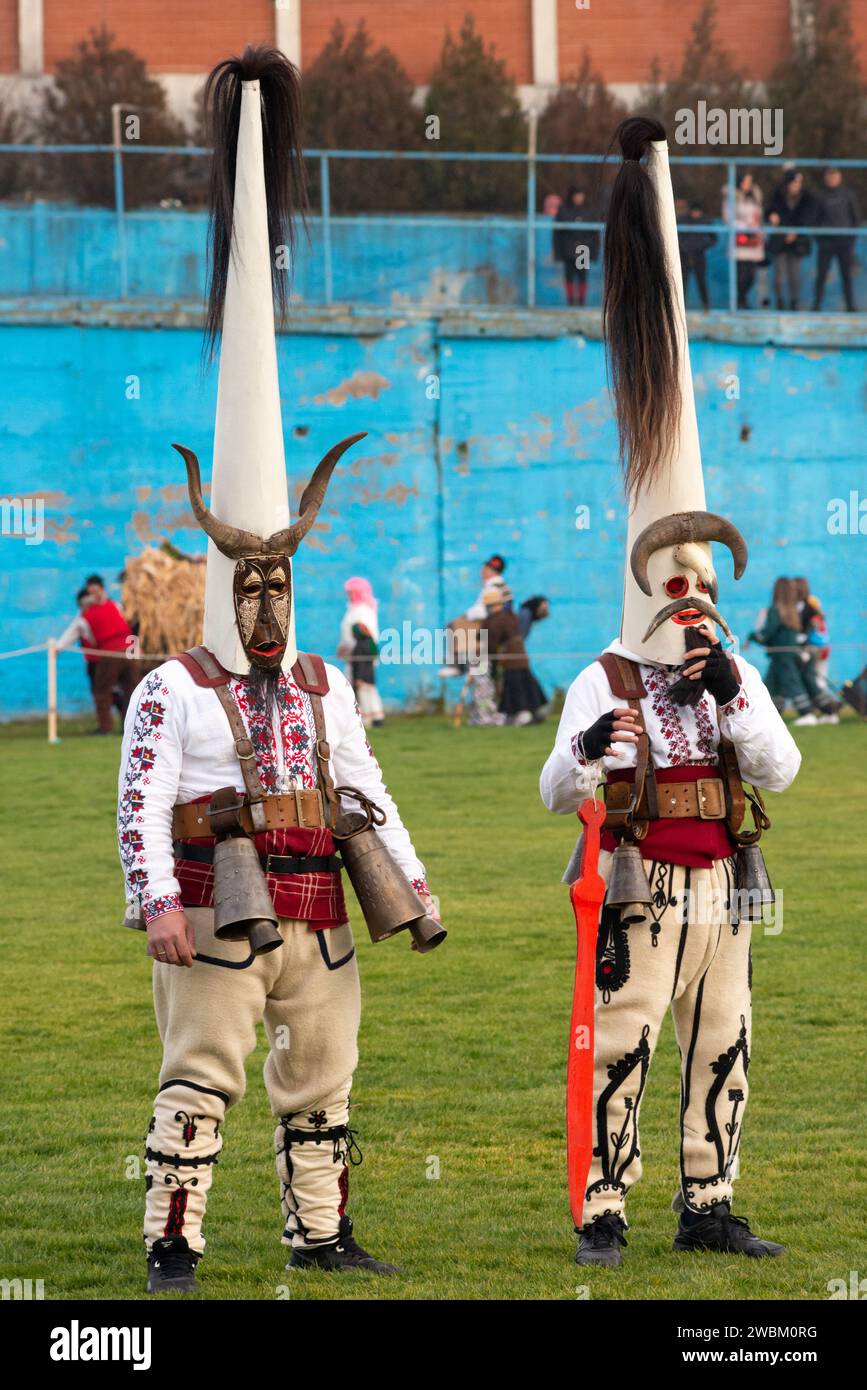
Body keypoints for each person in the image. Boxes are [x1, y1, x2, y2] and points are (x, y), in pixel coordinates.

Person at [117, 47, 441, 1296]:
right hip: (214, 900)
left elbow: (367, 780)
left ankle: (321, 1231)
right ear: (219, 584)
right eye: (242, 584)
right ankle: (174, 1238)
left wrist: (408, 885)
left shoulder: (322, 686)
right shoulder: (173, 689)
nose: (262, 605)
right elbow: (141, 801)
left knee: (326, 1074)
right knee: (202, 1072)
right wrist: (154, 897)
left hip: (321, 902)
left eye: (277, 586)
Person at [541, 117, 801, 1268]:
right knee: (626, 1040)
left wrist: (737, 683)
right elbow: (555, 788)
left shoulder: (730, 672)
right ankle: (605, 1203)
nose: (690, 601)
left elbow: (782, 768)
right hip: (642, 881)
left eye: (704, 583)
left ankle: (710, 1201)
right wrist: (595, 746)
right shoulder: (600, 672)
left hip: (725, 886)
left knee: (725, 1038)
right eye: (676, 582)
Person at [748, 578, 838, 725]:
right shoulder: (792, 611)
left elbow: (767, 634)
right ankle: (772, 715)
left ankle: (807, 714)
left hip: (782, 655)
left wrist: (752, 636)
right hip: (790, 653)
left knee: (792, 684)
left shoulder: (776, 610)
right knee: (772, 685)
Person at [77, 576, 137, 733]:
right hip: (130, 653)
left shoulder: (86, 616)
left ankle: (106, 727)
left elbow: (88, 637)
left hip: (110, 654)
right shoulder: (116, 606)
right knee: (130, 689)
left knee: (102, 691)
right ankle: (131, 726)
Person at [481, 586, 547, 725]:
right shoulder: (511, 616)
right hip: (520, 655)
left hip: (510, 658)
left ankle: (523, 715)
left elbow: (491, 643)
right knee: (526, 683)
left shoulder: (496, 620)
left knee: (516, 686)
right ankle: (535, 711)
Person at [766, 170, 817, 311]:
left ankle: (794, 302)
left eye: (798, 183)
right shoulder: (778, 196)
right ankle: (779, 302)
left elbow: (809, 217)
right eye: (794, 183)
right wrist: (771, 216)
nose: (796, 186)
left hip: (797, 243)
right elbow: (768, 211)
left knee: (794, 275)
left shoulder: (807, 198)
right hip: (779, 242)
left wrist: (796, 232)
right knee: (779, 275)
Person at [337, 576, 384, 727]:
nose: (349, 595)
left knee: (363, 684)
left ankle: (369, 717)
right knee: (360, 685)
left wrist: (352, 648)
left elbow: (363, 634)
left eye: (351, 592)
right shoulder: (354, 610)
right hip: (354, 653)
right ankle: (371, 715)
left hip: (362, 653)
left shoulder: (363, 611)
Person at [813, 167, 860, 312]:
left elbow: (856, 218)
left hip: (844, 242)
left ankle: (850, 306)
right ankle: (816, 306)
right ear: (826, 178)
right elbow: (815, 218)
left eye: (835, 176)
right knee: (821, 275)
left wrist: (851, 239)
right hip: (826, 242)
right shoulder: (820, 196)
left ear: (839, 177)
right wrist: (819, 238)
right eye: (830, 176)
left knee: (846, 275)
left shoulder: (848, 195)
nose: (832, 179)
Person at [722, 172, 765, 309]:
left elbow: (759, 216)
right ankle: (740, 301)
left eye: (750, 182)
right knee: (740, 274)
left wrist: (757, 228)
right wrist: (745, 226)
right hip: (739, 240)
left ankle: (742, 297)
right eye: (745, 181)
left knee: (751, 276)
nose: (748, 185)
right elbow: (728, 218)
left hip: (753, 242)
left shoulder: (755, 198)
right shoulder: (731, 197)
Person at [553, 187, 600, 307]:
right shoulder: (564, 210)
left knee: (582, 277)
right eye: (576, 195)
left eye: (581, 195)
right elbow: (557, 233)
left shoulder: (589, 211)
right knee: (569, 277)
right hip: (568, 250)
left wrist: (594, 253)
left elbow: (594, 234)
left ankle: (581, 302)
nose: (578, 198)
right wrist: (558, 253)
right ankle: (570, 303)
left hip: (583, 250)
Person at [678, 200, 716, 310]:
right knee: (683, 282)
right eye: (694, 211)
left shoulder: (706, 221)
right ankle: (681, 307)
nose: (696, 214)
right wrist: (682, 247)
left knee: (701, 282)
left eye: (698, 211)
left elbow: (713, 238)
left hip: (699, 256)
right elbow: (675, 236)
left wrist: (703, 246)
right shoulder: (682, 219)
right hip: (684, 256)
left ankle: (706, 306)